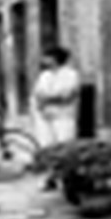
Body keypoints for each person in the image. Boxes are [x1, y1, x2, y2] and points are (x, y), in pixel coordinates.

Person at [32, 46, 80, 187]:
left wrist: (48, 99)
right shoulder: (44, 75)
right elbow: (37, 94)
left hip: (63, 116)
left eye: (47, 57)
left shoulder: (71, 74)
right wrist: (43, 103)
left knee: (64, 148)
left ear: (55, 59)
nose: (44, 60)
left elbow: (67, 96)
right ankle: (50, 178)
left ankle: (67, 180)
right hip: (45, 117)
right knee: (48, 148)